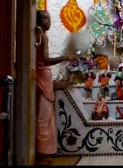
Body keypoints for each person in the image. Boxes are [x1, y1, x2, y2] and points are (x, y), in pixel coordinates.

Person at [35, 10, 76, 164]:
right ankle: (42, 154)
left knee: (45, 117)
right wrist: (65, 57)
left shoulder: (40, 36)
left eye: (50, 19)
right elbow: (44, 60)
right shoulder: (42, 37)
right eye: (46, 19)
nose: (49, 22)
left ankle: (44, 153)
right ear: (39, 21)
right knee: (43, 118)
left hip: (43, 78)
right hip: (41, 76)